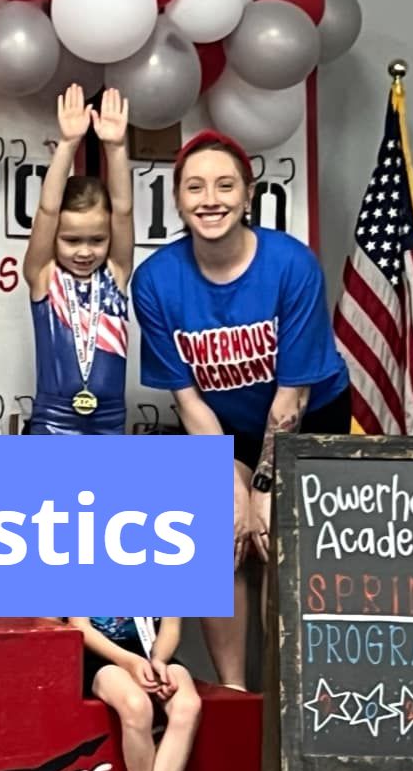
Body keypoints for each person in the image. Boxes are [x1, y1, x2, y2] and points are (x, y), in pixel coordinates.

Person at [132, 130, 351, 690]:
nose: (211, 199)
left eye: (226, 185)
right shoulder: (155, 281)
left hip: (306, 416)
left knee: (275, 536)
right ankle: (235, 693)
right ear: (177, 199)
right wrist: (232, 488)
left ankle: (287, 696)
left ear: (248, 194)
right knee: (220, 536)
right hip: (219, 426)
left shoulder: (291, 266)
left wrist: (263, 486)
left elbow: (291, 397)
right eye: (196, 187)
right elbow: (187, 399)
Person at [22, 84, 134, 435]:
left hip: (109, 422)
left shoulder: (115, 273)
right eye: (71, 240)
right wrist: (68, 145)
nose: (85, 251)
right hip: (54, 421)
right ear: (54, 236)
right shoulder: (43, 274)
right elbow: (47, 209)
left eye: (97, 240)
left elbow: (124, 210)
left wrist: (115, 148)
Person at [71, 617, 198, 771]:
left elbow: (171, 628)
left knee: (188, 705)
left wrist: (158, 660)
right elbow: (81, 628)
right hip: (102, 657)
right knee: (136, 705)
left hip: (152, 653)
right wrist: (128, 662)